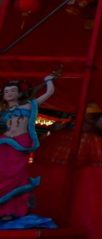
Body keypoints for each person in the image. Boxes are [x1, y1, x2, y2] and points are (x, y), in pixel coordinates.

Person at [0, 73, 56, 222]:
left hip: (20, 143)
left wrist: (49, 80)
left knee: (16, 175)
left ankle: (11, 210)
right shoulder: (3, 112)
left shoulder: (28, 106)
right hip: (4, 142)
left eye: (12, 91)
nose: (9, 94)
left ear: (19, 93)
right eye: (6, 92)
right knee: (2, 175)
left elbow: (49, 93)